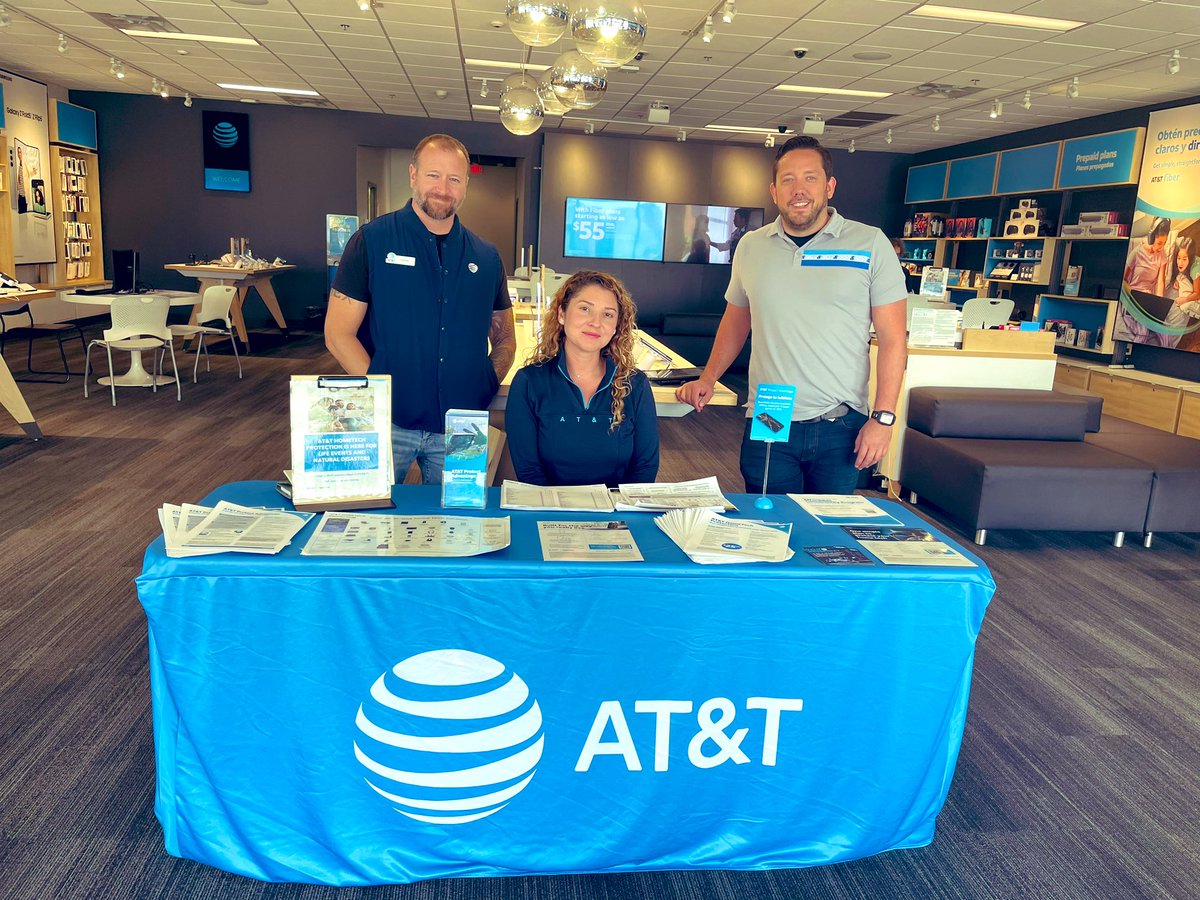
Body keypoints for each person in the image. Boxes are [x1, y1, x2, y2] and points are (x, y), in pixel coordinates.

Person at [675, 135, 908, 495]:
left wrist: (883, 418)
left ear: (829, 186)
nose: (799, 189)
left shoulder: (870, 243)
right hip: (771, 415)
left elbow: (894, 341)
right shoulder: (752, 247)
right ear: (773, 191)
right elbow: (737, 320)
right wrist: (709, 377)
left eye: (810, 178)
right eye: (788, 180)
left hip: (840, 424)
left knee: (826, 539)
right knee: (768, 526)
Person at [325, 133, 516, 483]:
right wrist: (379, 397)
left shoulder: (486, 257)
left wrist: (486, 383)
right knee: (373, 515)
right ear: (413, 175)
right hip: (388, 421)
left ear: (465, 186)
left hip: (464, 424)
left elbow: (505, 338)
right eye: (433, 175)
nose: (443, 188)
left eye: (454, 179)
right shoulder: (371, 241)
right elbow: (338, 334)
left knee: (460, 524)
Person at [506, 270, 659, 487]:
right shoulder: (529, 382)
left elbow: (645, 467)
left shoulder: (635, 384)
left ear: (616, 326)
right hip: (550, 512)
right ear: (561, 314)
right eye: (585, 309)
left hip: (615, 515)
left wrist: (617, 515)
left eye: (607, 314)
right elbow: (529, 471)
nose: (595, 322)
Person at [1119, 217, 1172, 346]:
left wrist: (1160, 304)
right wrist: (1133, 295)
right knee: (1143, 331)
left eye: (1164, 243)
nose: (1162, 247)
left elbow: (1160, 282)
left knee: (1165, 331)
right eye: (1160, 242)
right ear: (1152, 238)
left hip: (1148, 300)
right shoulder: (1136, 253)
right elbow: (1123, 280)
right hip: (1133, 298)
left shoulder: (1162, 255)